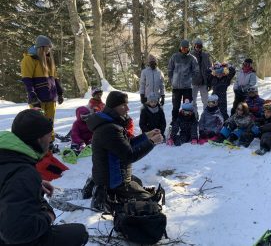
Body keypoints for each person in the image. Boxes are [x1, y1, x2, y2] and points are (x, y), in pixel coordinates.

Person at [0, 109, 88, 246]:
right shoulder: (22, 174)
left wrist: (35, 184)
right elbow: (14, 233)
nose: (51, 140)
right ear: (39, 139)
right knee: (79, 234)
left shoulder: (7, 155)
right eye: (49, 135)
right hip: (10, 238)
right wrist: (47, 216)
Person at [86, 91, 163, 211]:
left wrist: (146, 136)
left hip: (112, 176)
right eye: (123, 105)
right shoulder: (109, 129)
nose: (127, 108)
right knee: (151, 202)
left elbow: (125, 144)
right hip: (113, 182)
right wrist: (152, 142)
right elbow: (129, 156)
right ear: (113, 107)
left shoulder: (111, 123)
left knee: (138, 182)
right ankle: (107, 197)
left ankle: (113, 194)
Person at [21, 35, 64, 144]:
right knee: (38, 123)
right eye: (48, 47)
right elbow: (27, 79)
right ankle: (37, 144)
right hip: (38, 98)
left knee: (49, 122)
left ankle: (50, 143)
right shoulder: (29, 59)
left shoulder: (49, 59)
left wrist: (60, 93)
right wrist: (32, 95)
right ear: (41, 47)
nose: (49, 50)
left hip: (51, 97)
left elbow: (55, 78)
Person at [168, 39, 199, 122]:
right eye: (183, 48)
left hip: (187, 88)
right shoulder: (174, 57)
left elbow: (196, 71)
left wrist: (190, 78)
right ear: (180, 48)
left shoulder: (192, 58)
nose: (184, 49)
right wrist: (171, 80)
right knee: (175, 107)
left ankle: (188, 121)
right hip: (176, 88)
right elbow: (170, 69)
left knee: (187, 106)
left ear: (189, 48)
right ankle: (174, 121)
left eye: (186, 48)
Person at [191, 38, 212, 116]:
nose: (198, 48)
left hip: (204, 82)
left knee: (206, 102)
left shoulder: (206, 55)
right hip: (193, 82)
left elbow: (210, 69)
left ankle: (206, 117)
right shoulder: (190, 55)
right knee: (193, 101)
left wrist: (209, 82)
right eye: (197, 46)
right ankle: (194, 116)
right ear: (194, 46)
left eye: (200, 46)